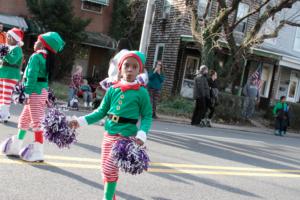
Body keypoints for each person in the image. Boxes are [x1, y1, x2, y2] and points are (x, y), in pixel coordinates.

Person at [69, 50, 152, 200]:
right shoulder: (113, 89)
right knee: (105, 170)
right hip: (109, 135)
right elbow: (100, 112)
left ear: (139, 70)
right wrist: (80, 121)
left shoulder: (142, 93)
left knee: (109, 170)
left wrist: (142, 134)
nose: (130, 69)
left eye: (134, 67)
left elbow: (147, 116)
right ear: (120, 68)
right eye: (127, 65)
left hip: (125, 138)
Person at [0, 32, 65, 162]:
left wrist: (26, 92)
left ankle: (38, 150)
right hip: (40, 92)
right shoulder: (46, 58)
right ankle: (16, 145)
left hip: (35, 92)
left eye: (37, 40)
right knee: (24, 119)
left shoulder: (36, 57)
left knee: (36, 122)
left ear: (44, 45)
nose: (35, 43)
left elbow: (31, 76)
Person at [0, 28, 24, 123]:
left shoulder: (17, 49)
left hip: (11, 75)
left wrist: (3, 53)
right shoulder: (7, 47)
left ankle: (4, 115)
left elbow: (12, 60)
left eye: (8, 36)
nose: (6, 38)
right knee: (1, 94)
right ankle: (4, 114)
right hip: (3, 73)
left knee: (6, 95)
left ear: (14, 38)